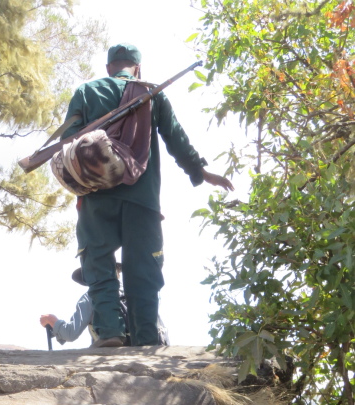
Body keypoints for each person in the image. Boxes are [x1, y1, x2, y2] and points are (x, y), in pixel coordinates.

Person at [61, 43, 234, 348]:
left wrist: (78, 185)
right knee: (143, 268)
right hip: (143, 200)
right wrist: (200, 172)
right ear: (137, 68)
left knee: (98, 261)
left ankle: (110, 331)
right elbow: (176, 137)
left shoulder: (86, 92)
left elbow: (67, 145)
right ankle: (146, 338)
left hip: (97, 199)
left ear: (108, 69)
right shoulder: (152, 94)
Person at [40, 265, 170, 347]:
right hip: (155, 346)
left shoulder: (91, 296)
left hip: (117, 354)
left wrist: (52, 321)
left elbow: (70, 333)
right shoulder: (136, 292)